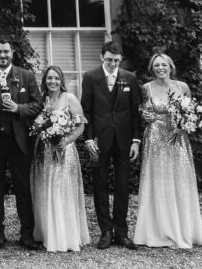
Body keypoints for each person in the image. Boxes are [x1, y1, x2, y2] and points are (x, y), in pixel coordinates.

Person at [134, 52, 202, 249]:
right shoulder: (145, 88)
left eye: (164, 65)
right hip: (156, 138)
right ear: (152, 68)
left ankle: (183, 230)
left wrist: (188, 121)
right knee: (158, 180)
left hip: (178, 139)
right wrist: (147, 116)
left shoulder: (182, 87)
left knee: (180, 179)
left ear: (170, 66)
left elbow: (191, 111)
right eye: (156, 65)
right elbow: (140, 111)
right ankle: (158, 231)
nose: (160, 68)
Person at [0, 39, 42, 250]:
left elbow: (37, 104)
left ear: (12, 53)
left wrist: (18, 109)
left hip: (19, 142)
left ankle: (27, 233)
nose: (2, 55)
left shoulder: (26, 75)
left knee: (23, 187)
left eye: (6, 52)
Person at [81, 40, 142, 250]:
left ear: (120, 60)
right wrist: (88, 138)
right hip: (99, 140)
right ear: (101, 57)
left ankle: (122, 232)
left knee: (123, 186)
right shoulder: (90, 77)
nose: (112, 64)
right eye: (109, 60)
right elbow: (86, 110)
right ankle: (105, 232)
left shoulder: (130, 78)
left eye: (116, 60)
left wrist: (136, 140)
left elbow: (136, 112)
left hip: (124, 141)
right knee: (100, 185)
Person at [31, 66, 90, 252]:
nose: (53, 82)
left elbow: (81, 126)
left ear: (61, 80)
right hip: (44, 152)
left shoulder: (69, 98)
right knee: (45, 190)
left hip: (64, 151)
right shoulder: (41, 100)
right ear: (45, 81)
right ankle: (49, 233)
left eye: (56, 78)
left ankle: (66, 236)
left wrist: (65, 141)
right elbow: (36, 126)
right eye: (49, 78)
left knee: (61, 190)